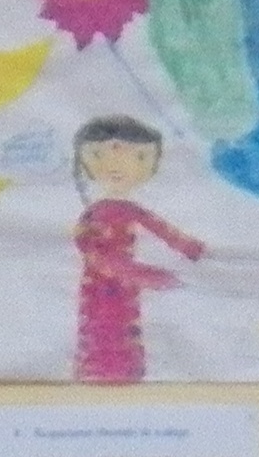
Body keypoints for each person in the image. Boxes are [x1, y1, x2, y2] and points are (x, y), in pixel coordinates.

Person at [71, 115, 205, 384]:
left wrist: (192, 249)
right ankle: (99, 372)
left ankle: (126, 371)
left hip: (124, 288)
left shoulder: (131, 210)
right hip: (100, 288)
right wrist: (143, 275)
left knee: (127, 327)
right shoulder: (93, 215)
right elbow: (94, 254)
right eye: (99, 155)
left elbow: (162, 229)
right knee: (103, 328)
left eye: (140, 157)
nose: (118, 166)